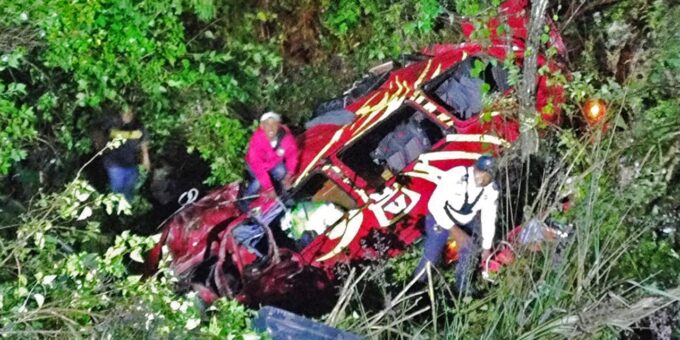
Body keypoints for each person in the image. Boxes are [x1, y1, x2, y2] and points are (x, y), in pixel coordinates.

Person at [413, 155, 499, 295]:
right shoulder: (456, 176)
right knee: (432, 252)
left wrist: (486, 247)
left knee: (471, 248)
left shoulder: (491, 190)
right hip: (440, 217)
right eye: (481, 173)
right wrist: (456, 232)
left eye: (488, 176)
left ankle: (462, 287)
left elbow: (488, 217)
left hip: (466, 219)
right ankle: (417, 286)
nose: (483, 178)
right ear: (476, 169)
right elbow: (434, 205)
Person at [242, 112, 299, 205]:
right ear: (262, 126)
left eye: (274, 124)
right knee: (257, 183)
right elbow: (258, 168)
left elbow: (292, 156)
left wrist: (289, 174)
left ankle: (281, 191)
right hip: (255, 166)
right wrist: (269, 188)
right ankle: (246, 199)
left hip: (273, 163)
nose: (271, 128)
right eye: (267, 124)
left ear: (279, 125)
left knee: (282, 172)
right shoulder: (256, 141)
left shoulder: (286, 137)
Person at [101, 106, 151, 202]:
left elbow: (144, 141)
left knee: (130, 190)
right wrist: (132, 135)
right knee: (117, 191)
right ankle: (117, 212)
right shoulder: (113, 122)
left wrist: (146, 158)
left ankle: (128, 210)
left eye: (130, 112)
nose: (127, 114)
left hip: (131, 164)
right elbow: (111, 133)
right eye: (125, 112)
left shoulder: (138, 124)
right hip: (114, 164)